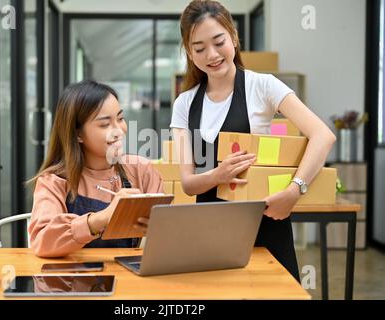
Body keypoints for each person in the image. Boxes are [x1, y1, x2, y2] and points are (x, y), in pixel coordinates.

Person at [170, 0, 336, 281]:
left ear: (233, 37)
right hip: (211, 231)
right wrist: (218, 174)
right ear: (189, 51)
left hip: (264, 222)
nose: (211, 54)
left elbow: (322, 135)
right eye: (199, 48)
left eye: (218, 41)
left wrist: (295, 191)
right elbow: (188, 183)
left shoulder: (262, 86)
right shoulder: (185, 103)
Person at [29, 80, 163, 258]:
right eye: (105, 124)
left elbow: (164, 236)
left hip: (127, 277)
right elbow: (41, 241)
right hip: (72, 280)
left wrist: (157, 228)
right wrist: (103, 218)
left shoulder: (142, 170)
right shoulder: (54, 181)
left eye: (120, 119)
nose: (119, 130)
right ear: (77, 134)